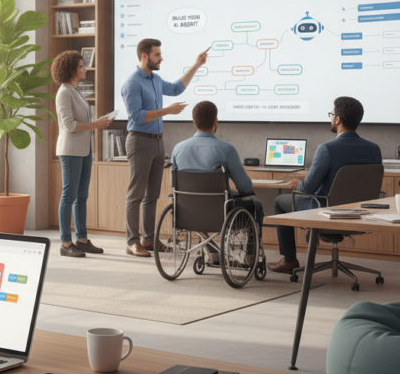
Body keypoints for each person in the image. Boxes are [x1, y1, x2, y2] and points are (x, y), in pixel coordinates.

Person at [269, 96, 382, 274]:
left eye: (332, 115)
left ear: (338, 119)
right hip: (361, 213)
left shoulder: (327, 148)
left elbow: (307, 189)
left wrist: (298, 185)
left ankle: (289, 259)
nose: (331, 118)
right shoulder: (374, 149)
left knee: (279, 201)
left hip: (326, 211)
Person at [121, 38, 208, 257]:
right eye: (157, 55)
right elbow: (136, 116)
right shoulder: (132, 83)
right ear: (144, 56)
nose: (161, 58)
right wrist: (166, 111)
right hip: (140, 140)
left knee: (152, 195)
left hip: (157, 141)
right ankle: (132, 242)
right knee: (136, 194)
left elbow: (177, 88)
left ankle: (148, 239)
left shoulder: (155, 79)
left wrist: (196, 65)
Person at [171, 101, 263, 263]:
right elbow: (245, 187)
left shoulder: (178, 148)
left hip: (186, 214)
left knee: (199, 203)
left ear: (194, 122)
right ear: (215, 121)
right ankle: (249, 255)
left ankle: (212, 251)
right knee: (256, 206)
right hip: (221, 213)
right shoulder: (226, 149)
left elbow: (175, 187)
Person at [52, 50, 112, 258]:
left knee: (82, 196)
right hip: (70, 151)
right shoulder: (64, 93)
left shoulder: (76, 91)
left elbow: (83, 120)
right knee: (69, 195)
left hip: (85, 149)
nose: (84, 69)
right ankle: (66, 242)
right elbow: (69, 125)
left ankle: (82, 239)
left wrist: (99, 120)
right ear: (71, 70)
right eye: (80, 66)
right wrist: (96, 124)